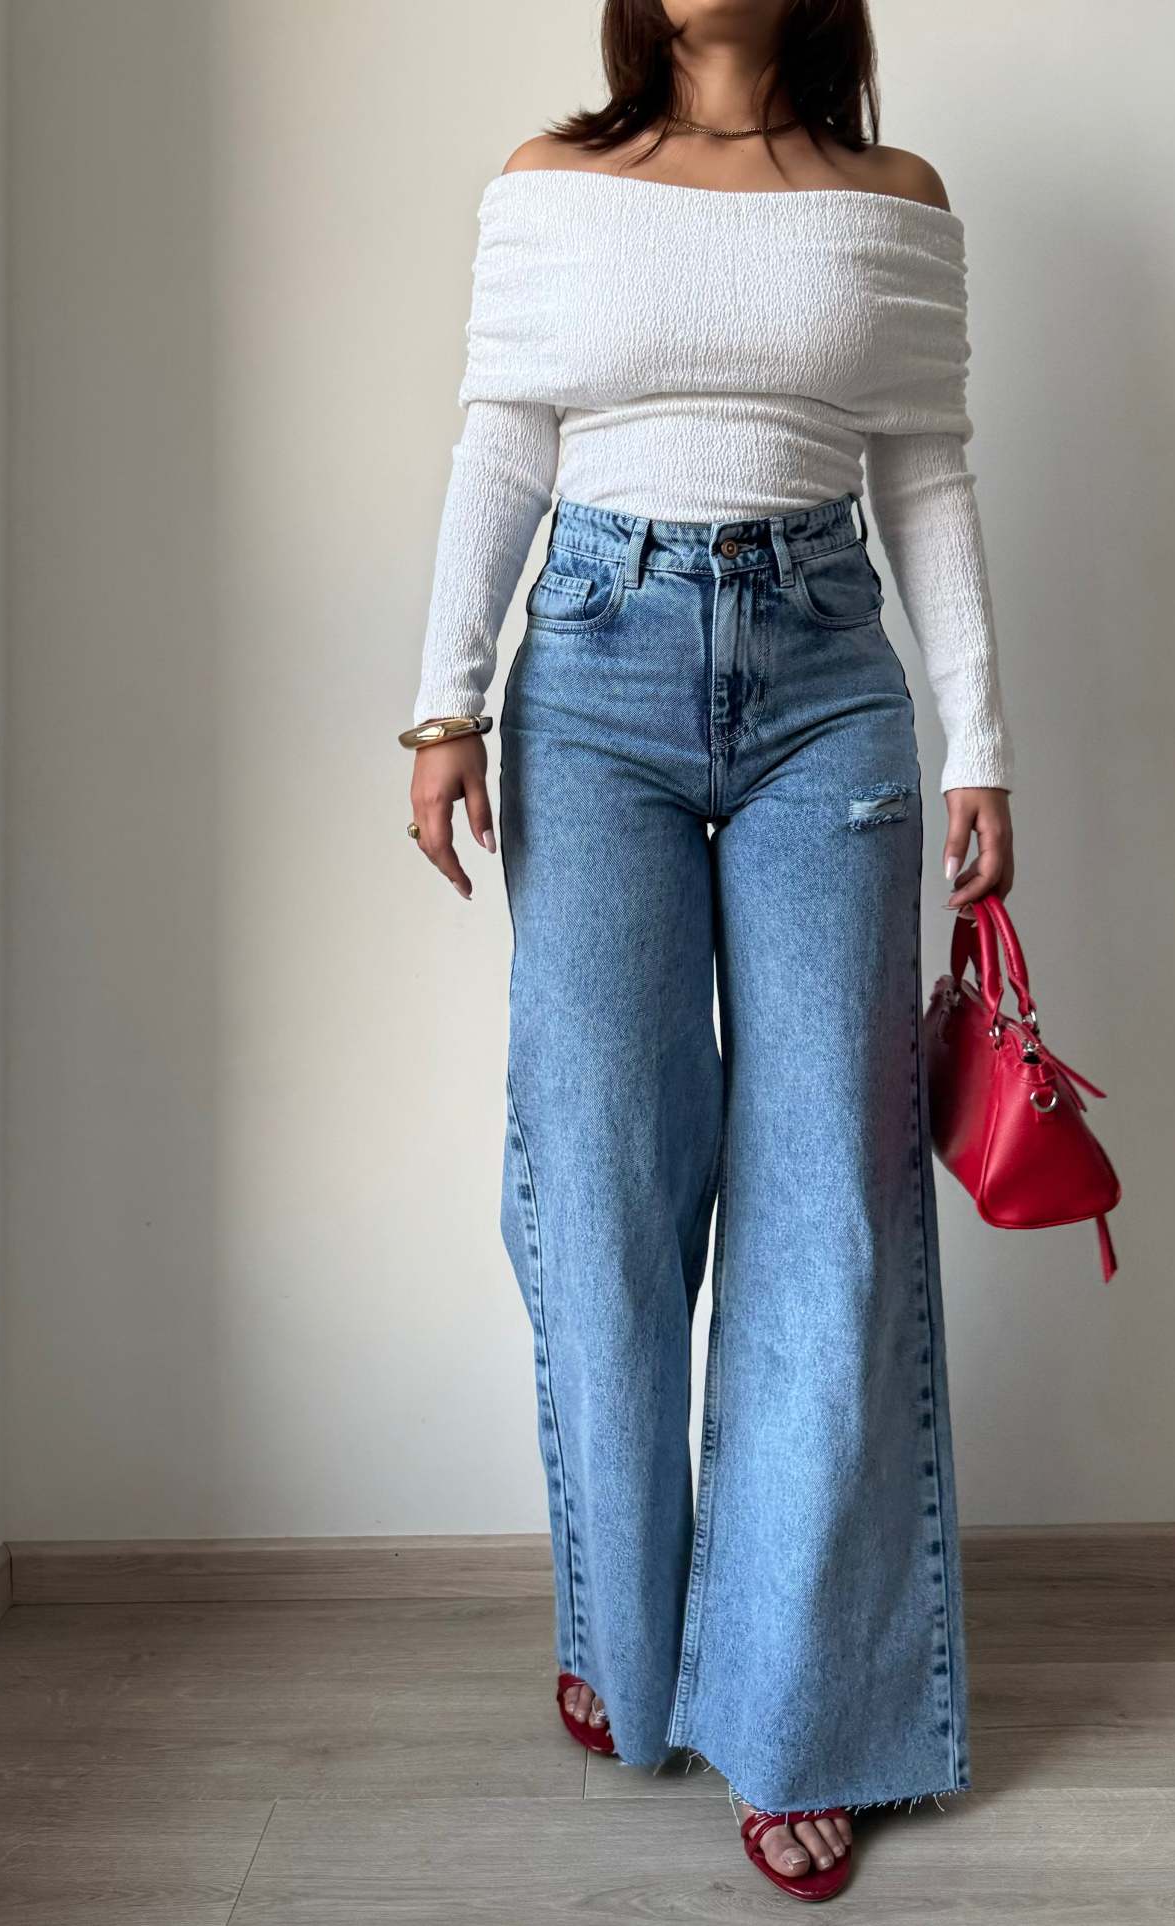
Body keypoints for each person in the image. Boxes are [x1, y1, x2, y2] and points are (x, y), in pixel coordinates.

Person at [402, 0, 1014, 1902]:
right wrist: (441, 704)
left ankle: (798, 1710)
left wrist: (981, 747)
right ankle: (627, 1622)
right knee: (601, 1183)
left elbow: (922, 472)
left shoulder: (890, 194)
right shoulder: (552, 182)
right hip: (590, 679)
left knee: (827, 1201)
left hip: (829, 681)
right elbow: (504, 442)